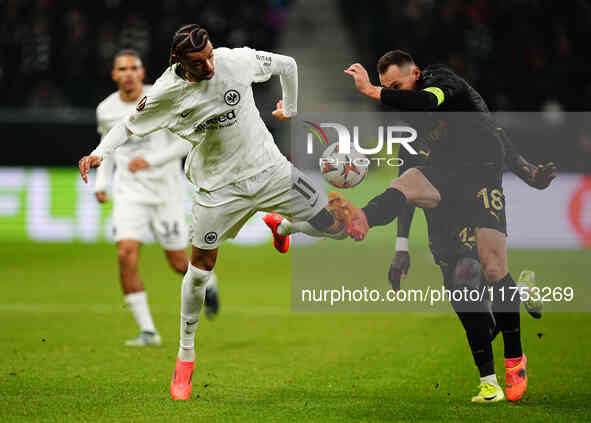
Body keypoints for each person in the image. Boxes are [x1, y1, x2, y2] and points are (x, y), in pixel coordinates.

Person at [78, 25, 346, 400]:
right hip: (217, 189)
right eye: (198, 62)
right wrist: (99, 155)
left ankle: (282, 227)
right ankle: (185, 358)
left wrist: (292, 108)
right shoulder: (166, 92)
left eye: (209, 56)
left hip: (270, 170)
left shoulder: (233, 61)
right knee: (200, 271)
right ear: (178, 62)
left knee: (336, 227)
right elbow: (127, 126)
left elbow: (287, 64)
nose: (208, 66)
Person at [338, 50, 557, 402]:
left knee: (492, 267)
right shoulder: (411, 124)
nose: (393, 93)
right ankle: (362, 216)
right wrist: (401, 246)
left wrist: (528, 173)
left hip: (483, 172)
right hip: (445, 177)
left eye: (396, 85)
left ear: (416, 74)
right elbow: (404, 171)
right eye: (387, 87)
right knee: (409, 182)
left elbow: (448, 111)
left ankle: (515, 359)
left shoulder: (443, 83)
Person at [94, 49, 220, 347]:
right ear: (114, 74)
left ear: (142, 72)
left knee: (178, 262)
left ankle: (210, 284)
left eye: (132, 68)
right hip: (129, 194)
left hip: (165, 194)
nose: (127, 73)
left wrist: (152, 161)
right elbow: (108, 146)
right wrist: (102, 183)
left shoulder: (162, 96)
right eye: (121, 68)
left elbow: (184, 144)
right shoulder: (106, 109)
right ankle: (148, 331)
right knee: (125, 254)